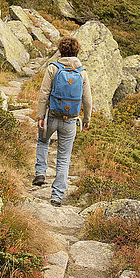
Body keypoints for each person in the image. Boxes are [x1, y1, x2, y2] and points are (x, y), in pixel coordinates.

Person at [32, 36, 92, 206]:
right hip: (70, 121)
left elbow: (44, 94)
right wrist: (87, 119)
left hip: (51, 116)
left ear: (60, 50)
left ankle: (40, 173)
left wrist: (39, 116)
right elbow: (87, 99)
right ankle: (56, 197)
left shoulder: (53, 68)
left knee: (43, 142)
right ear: (77, 51)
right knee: (64, 158)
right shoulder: (82, 72)